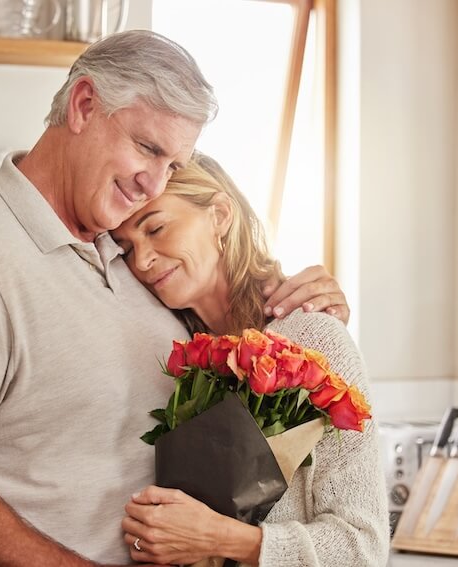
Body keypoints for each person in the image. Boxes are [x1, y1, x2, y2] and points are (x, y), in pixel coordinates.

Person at [0, 30, 350, 567]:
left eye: (172, 165)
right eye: (147, 147)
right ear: (83, 105)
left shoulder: (118, 241)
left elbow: (222, 321)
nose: (153, 184)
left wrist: (309, 312)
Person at [112, 152, 390, 567]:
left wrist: (222, 539)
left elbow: (362, 547)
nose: (142, 260)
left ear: (220, 215)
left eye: (156, 228)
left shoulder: (313, 338)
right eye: (126, 248)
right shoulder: (181, 360)